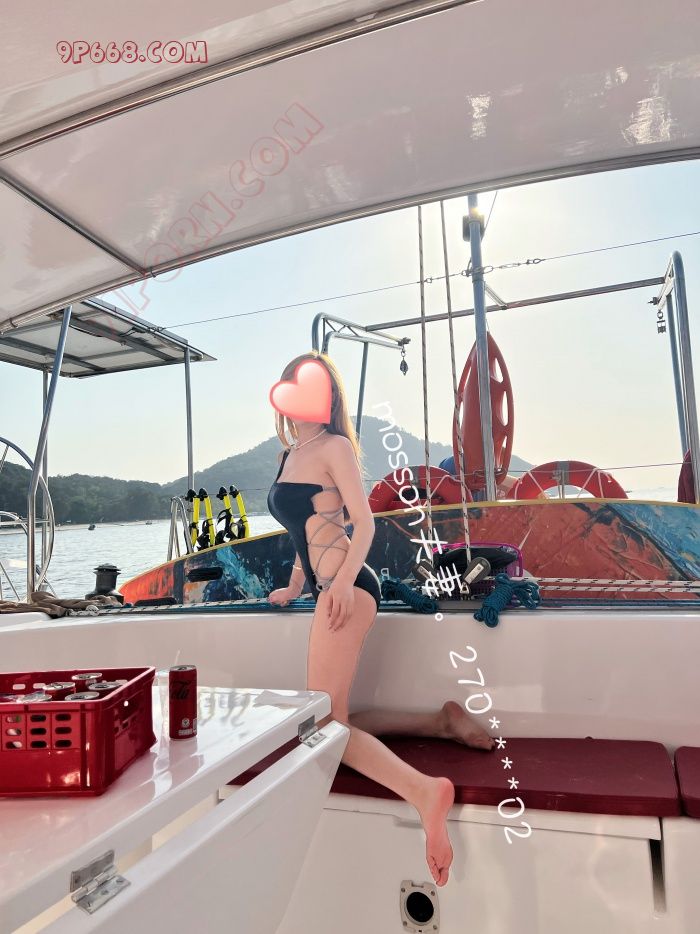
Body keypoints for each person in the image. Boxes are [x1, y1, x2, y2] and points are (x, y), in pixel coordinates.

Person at [267, 350, 495, 887]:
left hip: (349, 590)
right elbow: (304, 532)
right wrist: (296, 586)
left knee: (324, 726)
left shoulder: (335, 446)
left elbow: (363, 525)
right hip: (327, 588)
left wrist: (341, 584)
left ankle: (425, 792)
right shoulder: (289, 454)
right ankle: (441, 723)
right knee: (335, 719)